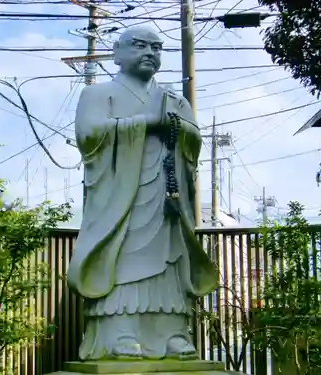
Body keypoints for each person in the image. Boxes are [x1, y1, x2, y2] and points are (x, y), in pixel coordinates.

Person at [67, 26, 217, 360]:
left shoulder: (175, 99)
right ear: (118, 54)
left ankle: (174, 333)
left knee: (169, 260)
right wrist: (146, 122)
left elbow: (193, 140)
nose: (150, 52)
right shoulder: (98, 94)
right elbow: (89, 135)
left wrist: (178, 129)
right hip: (120, 198)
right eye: (139, 46)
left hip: (167, 196)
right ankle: (119, 333)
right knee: (123, 256)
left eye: (157, 47)